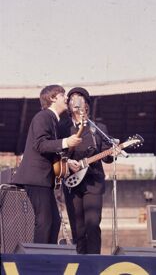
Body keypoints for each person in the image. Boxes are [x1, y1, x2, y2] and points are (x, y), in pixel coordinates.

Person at [14, 84, 82, 244]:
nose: (67, 98)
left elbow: (50, 150)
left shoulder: (52, 120)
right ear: (52, 98)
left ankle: (47, 256)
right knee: (44, 222)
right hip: (36, 179)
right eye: (62, 95)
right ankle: (38, 259)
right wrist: (67, 141)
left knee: (53, 222)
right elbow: (40, 145)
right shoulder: (43, 117)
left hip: (43, 180)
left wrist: (67, 161)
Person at [60, 87, 115, 254]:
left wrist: (112, 153)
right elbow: (57, 153)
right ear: (68, 104)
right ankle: (79, 263)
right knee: (77, 228)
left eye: (80, 99)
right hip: (72, 183)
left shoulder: (98, 128)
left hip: (93, 182)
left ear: (87, 104)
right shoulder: (63, 127)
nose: (76, 102)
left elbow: (107, 156)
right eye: (72, 99)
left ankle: (94, 264)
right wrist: (68, 162)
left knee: (92, 223)